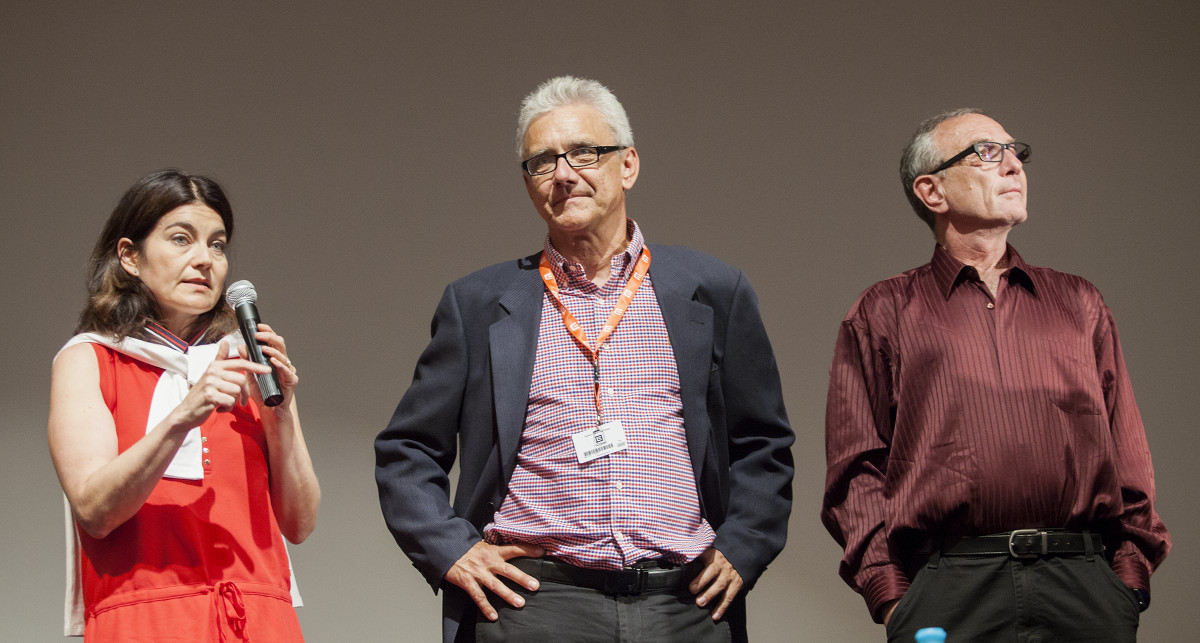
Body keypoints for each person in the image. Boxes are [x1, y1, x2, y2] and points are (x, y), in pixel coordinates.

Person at [375, 76, 794, 643]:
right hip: (536, 605)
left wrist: (745, 546)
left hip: (684, 605)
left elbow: (762, 441)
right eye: (542, 162)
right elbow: (407, 448)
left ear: (628, 165)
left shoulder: (713, 290)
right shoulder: (479, 303)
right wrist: (451, 549)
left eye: (584, 153)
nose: (564, 174)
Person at [821, 109, 1170, 642]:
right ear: (932, 191)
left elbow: (1128, 453)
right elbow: (856, 469)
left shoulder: (1078, 302)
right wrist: (892, 598)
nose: (1013, 165)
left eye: (1016, 152)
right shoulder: (884, 311)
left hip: (1082, 584)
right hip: (952, 588)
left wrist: (1127, 581)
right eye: (987, 152)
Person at [48, 169, 320, 641]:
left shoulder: (249, 364)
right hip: (145, 619)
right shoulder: (90, 359)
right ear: (130, 257)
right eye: (181, 239)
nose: (204, 260)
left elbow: (300, 524)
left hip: (257, 618)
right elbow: (95, 510)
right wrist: (183, 417)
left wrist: (280, 414)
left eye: (217, 245)